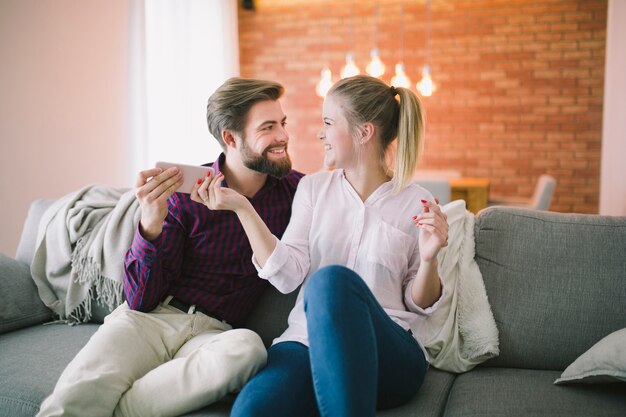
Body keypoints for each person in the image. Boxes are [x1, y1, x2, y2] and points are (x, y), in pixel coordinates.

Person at [37, 77, 304, 417]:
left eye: (283, 123)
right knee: (77, 395)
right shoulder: (184, 194)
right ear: (230, 138)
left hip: (216, 333)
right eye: (269, 127)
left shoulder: (297, 194)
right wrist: (150, 223)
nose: (283, 136)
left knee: (249, 349)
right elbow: (140, 300)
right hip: (150, 320)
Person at [194, 75, 449, 417]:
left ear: (364, 133)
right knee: (250, 411)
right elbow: (286, 276)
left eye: (328, 122)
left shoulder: (415, 201)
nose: (319, 133)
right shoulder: (312, 189)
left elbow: (418, 304)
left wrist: (431, 258)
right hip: (305, 344)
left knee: (331, 282)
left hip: (388, 351)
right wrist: (242, 206)